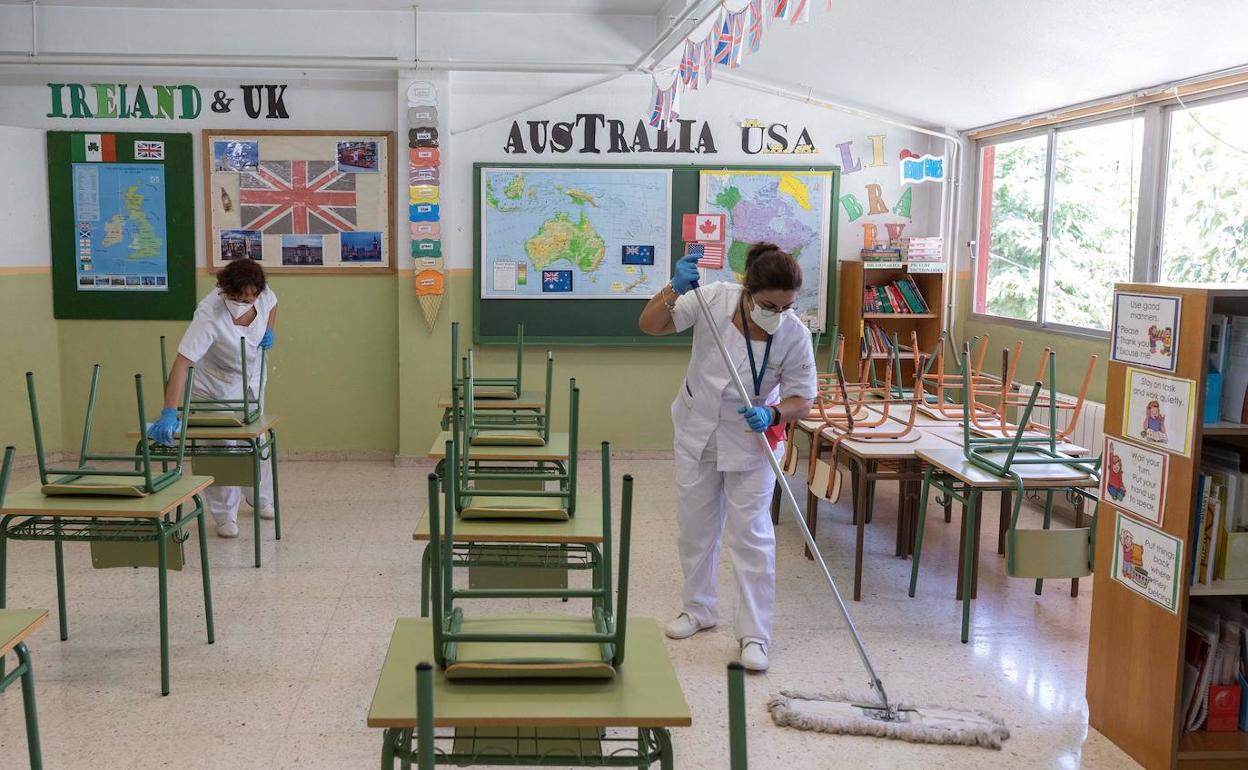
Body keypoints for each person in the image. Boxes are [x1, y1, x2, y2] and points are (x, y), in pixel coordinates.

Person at [638, 242, 817, 672]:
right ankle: (698, 609)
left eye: (787, 306)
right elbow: (650, 325)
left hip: (751, 441)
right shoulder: (714, 298)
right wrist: (673, 288)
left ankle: (754, 634)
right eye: (769, 305)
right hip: (697, 428)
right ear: (747, 290)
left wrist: (774, 412)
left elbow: (803, 400)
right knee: (695, 529)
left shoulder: (794, 334)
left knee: (751, 536)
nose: (777, 314)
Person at [147, 260, 278, 538]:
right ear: (224, 290)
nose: (242, 304)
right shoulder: (209, 314)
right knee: (221, 447)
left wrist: (269, 329)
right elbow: (182, 363)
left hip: (251, 376)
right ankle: (225, 515)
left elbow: (273, 305)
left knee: (257, 440)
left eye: (248, 300)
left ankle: (260, 496)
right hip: (215, 384)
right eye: (236, 298)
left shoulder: (263, 293)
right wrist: (169, 410)